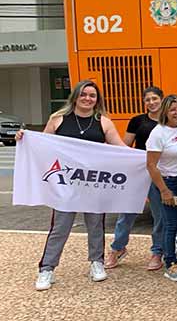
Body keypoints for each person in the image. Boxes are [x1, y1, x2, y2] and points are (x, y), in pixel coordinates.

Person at [22, 80, 127, 291]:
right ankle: (46, 269)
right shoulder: (58, 119)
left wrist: (144, 157)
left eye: (92, 95)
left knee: (96, 224)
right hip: (65, 185)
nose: (88, 98)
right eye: (84, 94)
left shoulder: (103, 122)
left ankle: (96, 263)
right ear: (75, 97)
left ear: (97, 100)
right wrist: (24, 138)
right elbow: (41, 145)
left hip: (94, 183)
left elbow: (121, 148)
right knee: (60, 227)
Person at [106, 85, 166, 271]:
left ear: (161, 99)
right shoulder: (137, 121)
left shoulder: (169, 121)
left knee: (159, 215)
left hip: (159, 172)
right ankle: (118, 248)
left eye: (155, 98)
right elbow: (125, 145)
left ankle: (157, 252)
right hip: (139, 172)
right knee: (127, 213)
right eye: (147, 100)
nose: (151, 102)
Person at [145, 94, 177, 282]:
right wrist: (164, 191)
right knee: (170, 225)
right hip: (169, 183)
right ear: (165, 111)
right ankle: (170, 263)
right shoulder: (158, 133)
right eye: (173, 109)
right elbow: (151, 165)